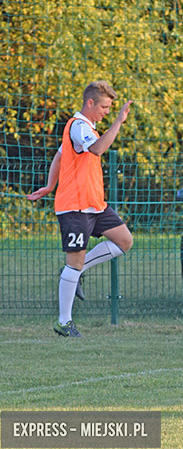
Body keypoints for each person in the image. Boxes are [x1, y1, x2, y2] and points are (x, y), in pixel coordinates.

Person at [27, 81, 134, 338]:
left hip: (95, 204)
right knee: (73, 263)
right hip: (74, 207)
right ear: (90, 103)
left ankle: (77, 272)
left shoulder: (87, 127)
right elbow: (96, 150)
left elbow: (60, 155)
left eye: (111, 109)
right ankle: (64, 321)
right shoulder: (78, 126)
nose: (107, 112)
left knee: (124, 241)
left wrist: (49, 185)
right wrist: (118, 123)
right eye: (105, 107)